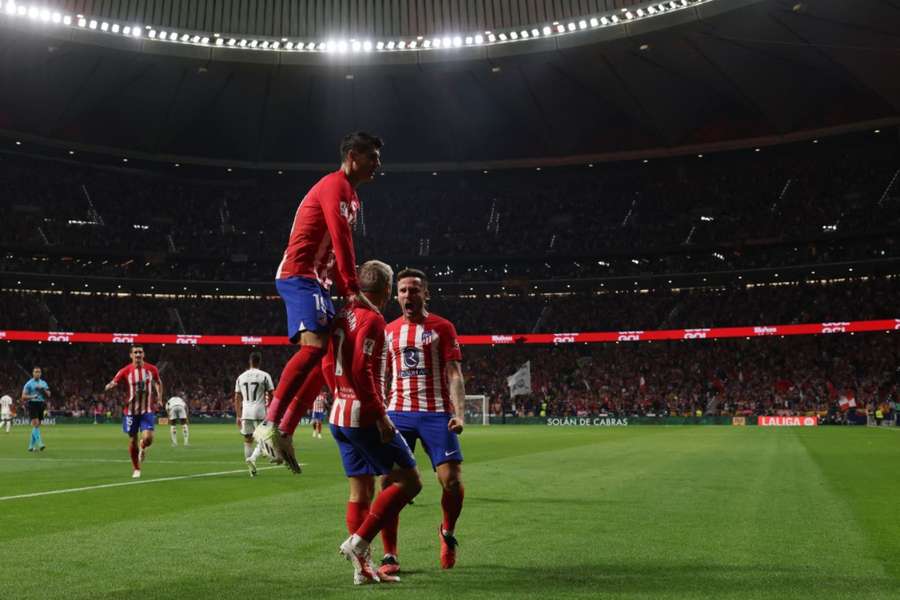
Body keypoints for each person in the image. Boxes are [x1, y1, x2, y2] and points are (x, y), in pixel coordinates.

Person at [254, 131, 383, 473]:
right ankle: (268, 423)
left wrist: (342, 286)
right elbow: (340, 238)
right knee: (313, 349)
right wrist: (352, 288)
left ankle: (284, 430)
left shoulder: (353, 198)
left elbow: (340, 244)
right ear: (353, 155)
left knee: (326, 361)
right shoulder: (333, 186)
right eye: (372, 156)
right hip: (299, 273)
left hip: (320, 282)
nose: (378, 164)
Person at [323, 260, 422, 585]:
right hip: (363, 417)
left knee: (360, 492)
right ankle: (359, 543)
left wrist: (338, 393)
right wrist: (381, 416)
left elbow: (327, 361)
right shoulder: (373, 319)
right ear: (387, 289)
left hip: (339, 414)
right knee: (409, 482)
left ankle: (362, 570)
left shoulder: (340, 315)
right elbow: (362, 369)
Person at [378, 268, 467, 575]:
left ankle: (447, 532)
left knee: (451, 481)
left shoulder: (442, 327)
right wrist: (378, 413)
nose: (408, 295)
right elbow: (381, 376)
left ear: (425, 294)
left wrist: (459, 413)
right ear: (397, 296)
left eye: (414, 290)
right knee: (389, 482)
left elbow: (455, 373)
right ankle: (389, 555)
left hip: (436, 412)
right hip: (398, 412)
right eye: (403, 290)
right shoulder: (388, 331)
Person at [105, 346, 163, 479]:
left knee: (148, 438)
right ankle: (136, 468)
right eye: (135, 352)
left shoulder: (152, 369)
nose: (138, 354)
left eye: (140, 352)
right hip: (130, 411)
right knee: (132, 440)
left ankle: (143, 446)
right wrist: (109, 386)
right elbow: (114, 381)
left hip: (146, 410)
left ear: (144, 354)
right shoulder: (125, 371)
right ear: (131, 355)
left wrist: (159, 398)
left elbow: (158, 382)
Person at [234, 352, 275, 477]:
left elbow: (237, 397)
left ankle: (251, 470)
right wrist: (272, 409)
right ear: (259, 362)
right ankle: (253, 458)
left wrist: (238, 415)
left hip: (246, 412)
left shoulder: (241, 377)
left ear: (250, 362)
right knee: (266, 438)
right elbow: (272, 394)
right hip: (260, 411)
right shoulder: (265, 376)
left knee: (248, 440)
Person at [22, 367, 51, 451]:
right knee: (36, 424)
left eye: (39, 372)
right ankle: (40, 443)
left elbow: (49, 394)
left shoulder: (43, 383)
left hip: (41, 404)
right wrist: (32, 396)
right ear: (33, 373)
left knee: (37, 426)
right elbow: (23, 397)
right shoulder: (29, 383)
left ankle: (30, 446)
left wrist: (42, 389)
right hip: (32, 404)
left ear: (41, 373)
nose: (37, 373)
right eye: (35, 372)